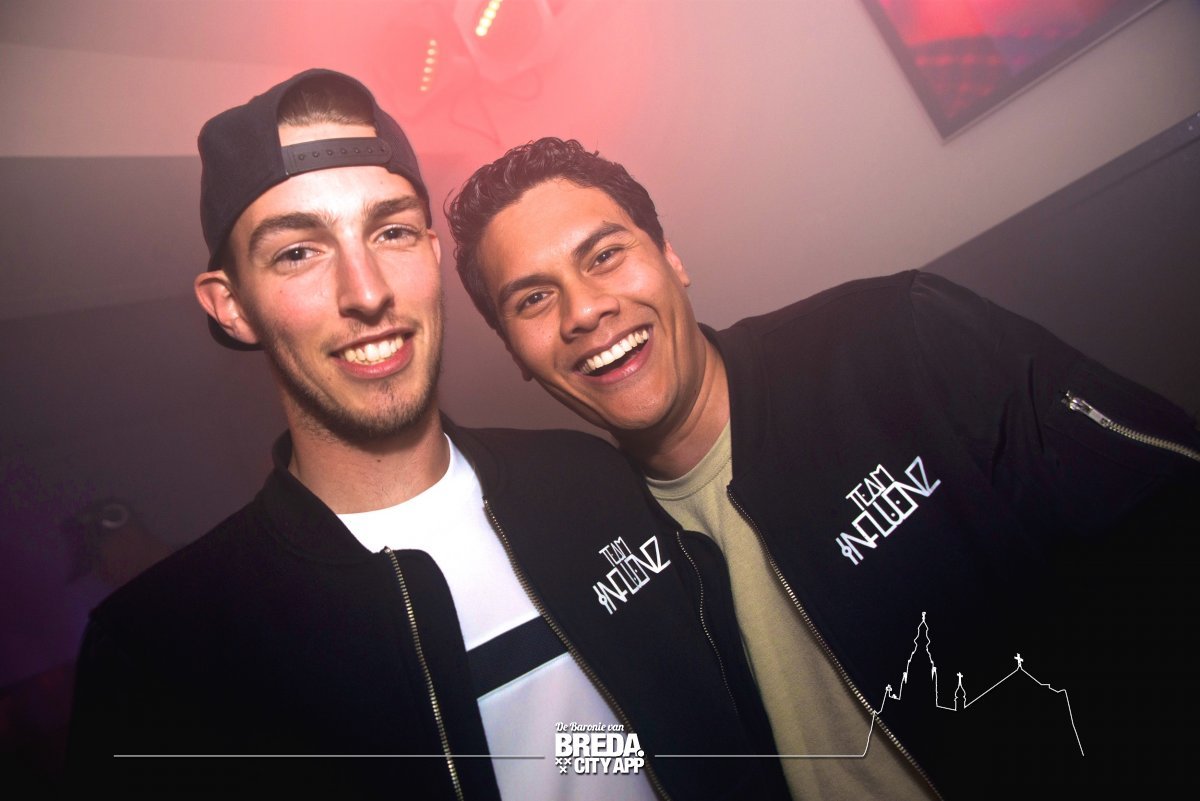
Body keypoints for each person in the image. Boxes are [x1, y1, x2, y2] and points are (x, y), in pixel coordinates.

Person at [66, 73, 790, 801]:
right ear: (231, 306)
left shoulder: (591, 480)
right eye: (298, 252)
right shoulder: (161, 653)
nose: (367, 290)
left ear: (434, 254)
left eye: (392, 232)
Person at [445, 137, 1200, 799]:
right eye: (534, 298)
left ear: (671, 258)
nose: (583, 311)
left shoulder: (897, 341)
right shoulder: (601, 548)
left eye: (605, 255)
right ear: (516, 353)